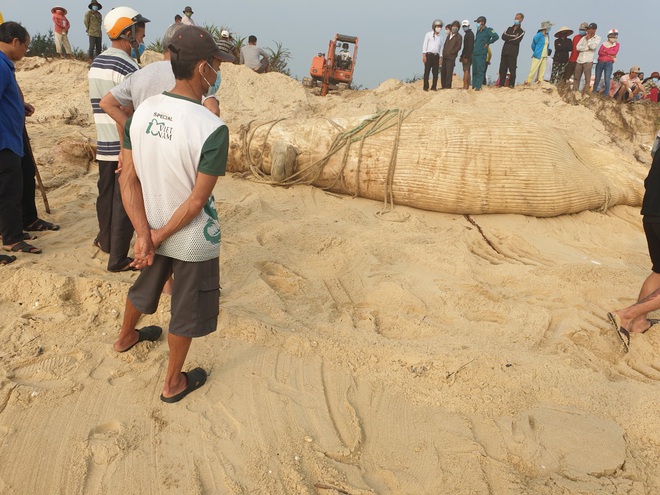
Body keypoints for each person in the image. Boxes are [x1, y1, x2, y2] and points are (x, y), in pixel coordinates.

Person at [117, 25, 230, 403]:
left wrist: (144, 233)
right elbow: (198, 201)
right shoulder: (212, 128)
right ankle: (172, 383)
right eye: (216, 64)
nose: (217, 72)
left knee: (144, 287)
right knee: (185, 309)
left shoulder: (143, 111)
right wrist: (160, 235)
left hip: (150, 223)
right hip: (191, 236)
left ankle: (125, 338)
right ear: (202, 69)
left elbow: (127, 179)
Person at [88, 6, 149, 272]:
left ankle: (106, 241)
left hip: (103, 142)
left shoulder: (97, 62)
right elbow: (125, 108)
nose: (143, 39)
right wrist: (128, 149)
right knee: (127, 199)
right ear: (128, 33)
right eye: (140, 33)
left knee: (106, 195)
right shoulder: (128, 65)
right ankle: (119, 256)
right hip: (123, 144)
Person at [608, 150, 660, 352]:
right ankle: (627, 314)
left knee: (658, 271)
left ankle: (638, 323)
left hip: (651, 215)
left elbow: (649, 181)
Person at [1, 21, 43, 262]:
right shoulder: (0, 65)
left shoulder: (5, 66)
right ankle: (12, 239)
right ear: (15, 41)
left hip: (10, 137)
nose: (26, 51)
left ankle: (10, 231)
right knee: (8, 189)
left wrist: (19, 105)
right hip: (4, 140)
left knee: (11, 185)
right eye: (26, 46)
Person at [498, 13, 525, 88]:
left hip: (513, 53)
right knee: (502, 69)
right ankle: (501, 84)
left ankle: (511, 84)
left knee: (512, 69)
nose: (516, 19)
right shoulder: (509, 28)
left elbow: (517, 40)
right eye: (515, 18)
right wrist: (512, 37)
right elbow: (503, 36)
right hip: (504, 51)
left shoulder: (521, 31)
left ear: (521, 20)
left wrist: (508, 37)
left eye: (518, 18)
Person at [471, 16, 498, 91]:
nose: (477, 24)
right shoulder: (478, 30)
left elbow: (496, 36)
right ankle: (474, 84)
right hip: (475, 53)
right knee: (474, 70)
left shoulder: (488, 30)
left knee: (480, 70)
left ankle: (478, 86)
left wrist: (488, 43)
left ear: (482, 22)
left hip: (481, 54)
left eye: (478, 22)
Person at [573, 22, 600, 94]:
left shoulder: (597, 38)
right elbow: (578, 47)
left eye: (591, 29)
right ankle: (574, 92)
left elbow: (593, 47)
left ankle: (585, 93)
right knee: (576, 77)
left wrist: (589, 40)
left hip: (588, 60)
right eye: (588, 29)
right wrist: (586, 48)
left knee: (587, 79)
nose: (589, 31)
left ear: (594, 30)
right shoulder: (583, 38)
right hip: (580, 60)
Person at [593, 29, 619, 96]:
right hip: (601, 61)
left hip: (609, 63)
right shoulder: (604, 44)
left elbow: (614, 52)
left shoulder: (617, 44)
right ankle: (594, 92)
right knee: (597, 78)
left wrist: (605, 51)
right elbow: (599, 52)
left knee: (607, 79)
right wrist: (609, 54)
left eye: (614, 36)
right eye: (611, 36)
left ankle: (605, 94)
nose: (613, 37)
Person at [421, 19, 443, 91]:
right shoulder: (428, 35)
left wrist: (440, 57)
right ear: (434, 26)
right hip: (429, 55)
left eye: (440, 26)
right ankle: (425, 87)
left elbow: (440, 48)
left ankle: (434, 87)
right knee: (427, 72)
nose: (439, 28)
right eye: (437, 26)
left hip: (436, 56)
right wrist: (424, 55)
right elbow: (425, 45)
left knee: (435, 72)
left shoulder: (440, 38)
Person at [441, 21, 462, 89]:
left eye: (456, 27)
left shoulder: (459, 36)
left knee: (449, 72)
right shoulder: (449, 35)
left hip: (451, 57)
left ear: (458, 28)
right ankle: (443, 86)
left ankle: (447, 86)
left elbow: (458, 47)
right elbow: (445, 45)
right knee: (443, 72)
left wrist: (452, 52)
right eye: (453, 26)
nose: (454, 28)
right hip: (445, 56)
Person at [459, 20, 474, 90]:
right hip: (466, 55)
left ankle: (465, 86)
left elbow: (469, 47)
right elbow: (465, 47)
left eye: (466, 26)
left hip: (468, 55)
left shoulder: (470, 34)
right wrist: (462, 56)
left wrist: (466, 57)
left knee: (466, 70)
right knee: (467, 70)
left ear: (468, 26)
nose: (464, 27)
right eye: (463, 26)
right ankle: (466, 85)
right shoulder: (467, 34)